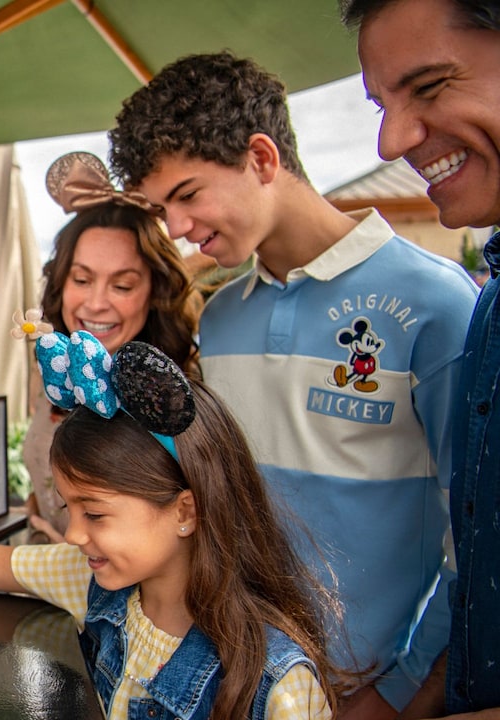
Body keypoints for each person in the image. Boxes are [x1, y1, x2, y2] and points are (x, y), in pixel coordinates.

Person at [106, 51, 480, 717]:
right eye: (163, 209)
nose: (178, 229)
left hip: (366, 690)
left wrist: (402, 695)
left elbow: (477, 541)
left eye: (188, 195)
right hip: (235, 676)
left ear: (262, 158)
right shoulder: (219, 318)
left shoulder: (434, 304)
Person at [0, 329, 343, 719]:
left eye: (94, 513)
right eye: (68, 507)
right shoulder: (95, 578)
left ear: (185, 511)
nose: (73, 533)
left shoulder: (279, 684)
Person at [338, 0, 500, 716]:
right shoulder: (491, 306)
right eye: (381, 103)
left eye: (429, 86)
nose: (392, 139)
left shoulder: (441, 299)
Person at [21, 151, 201, 542]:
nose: (96, 303)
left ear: (156, 291)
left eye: (122, 285)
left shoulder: (171, 402)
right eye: (82, 279)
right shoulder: (56, 374)